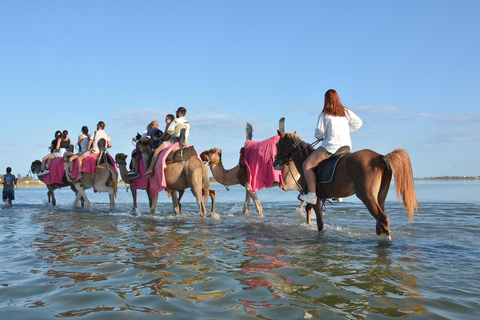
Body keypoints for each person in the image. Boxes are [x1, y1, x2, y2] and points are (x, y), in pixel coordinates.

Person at [299, 89, 363, 205]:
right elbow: (358, 122)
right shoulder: (346, 111)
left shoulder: (324, 114)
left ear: (326, 100)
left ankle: (312, 195)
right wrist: (346, 131)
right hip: (346, 147)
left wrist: (320, 135)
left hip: (331, 147)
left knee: (307, 165)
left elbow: (319, 133)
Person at [143, 108, 191, 178]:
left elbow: (169, 134)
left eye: (177, 112)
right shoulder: (188, 123)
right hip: (184, 143)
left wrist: (163, 141)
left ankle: (150, 169)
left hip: (173, 141)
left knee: (156, 150)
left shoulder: (176, 121)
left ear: (179, 112)